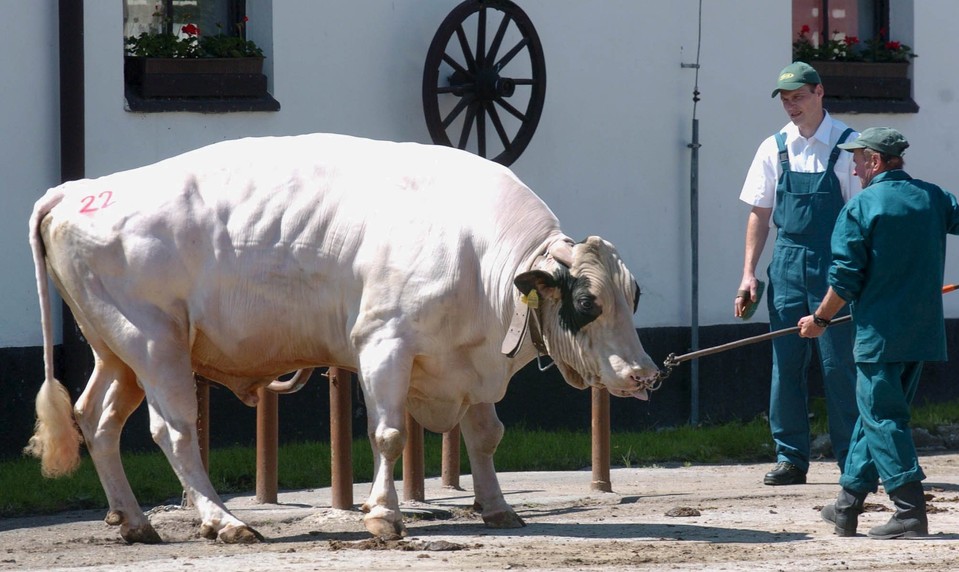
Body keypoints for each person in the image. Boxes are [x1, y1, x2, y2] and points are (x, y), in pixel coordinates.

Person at [798, 127, 959, 539]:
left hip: (879, 336)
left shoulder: (861, 206)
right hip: (922, 334)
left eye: (857, 160)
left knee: (884, 418)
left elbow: (845, 280)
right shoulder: (934, 197)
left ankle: (909, 510)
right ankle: (847, 505)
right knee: (874, 418)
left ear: (874, 160)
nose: (853, 168)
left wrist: (819, 320)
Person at [735, 62, 861, 486]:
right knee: (786, 364)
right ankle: (790, 457)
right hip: (787, 264)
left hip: (834, 263)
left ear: (819, 92)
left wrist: (859, 273)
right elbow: (760, 213)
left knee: (839, 364)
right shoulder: (773, 147)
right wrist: (748, 273)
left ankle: (852, 460)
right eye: (786, 100)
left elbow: (860, 217)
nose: (792, 106)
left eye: (799, 97)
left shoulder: (849, 145)